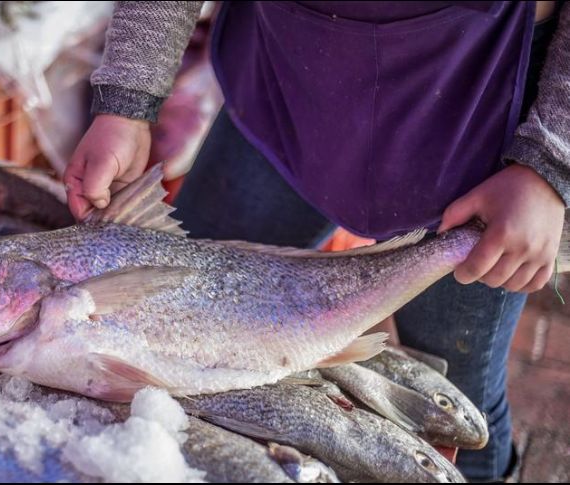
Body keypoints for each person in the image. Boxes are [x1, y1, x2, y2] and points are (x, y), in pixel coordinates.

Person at [64, 2, 570, 480]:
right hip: (285, 87)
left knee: (462, 394)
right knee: (175, 313)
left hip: (482, 112)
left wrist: (549, 164)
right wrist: (125, 104)